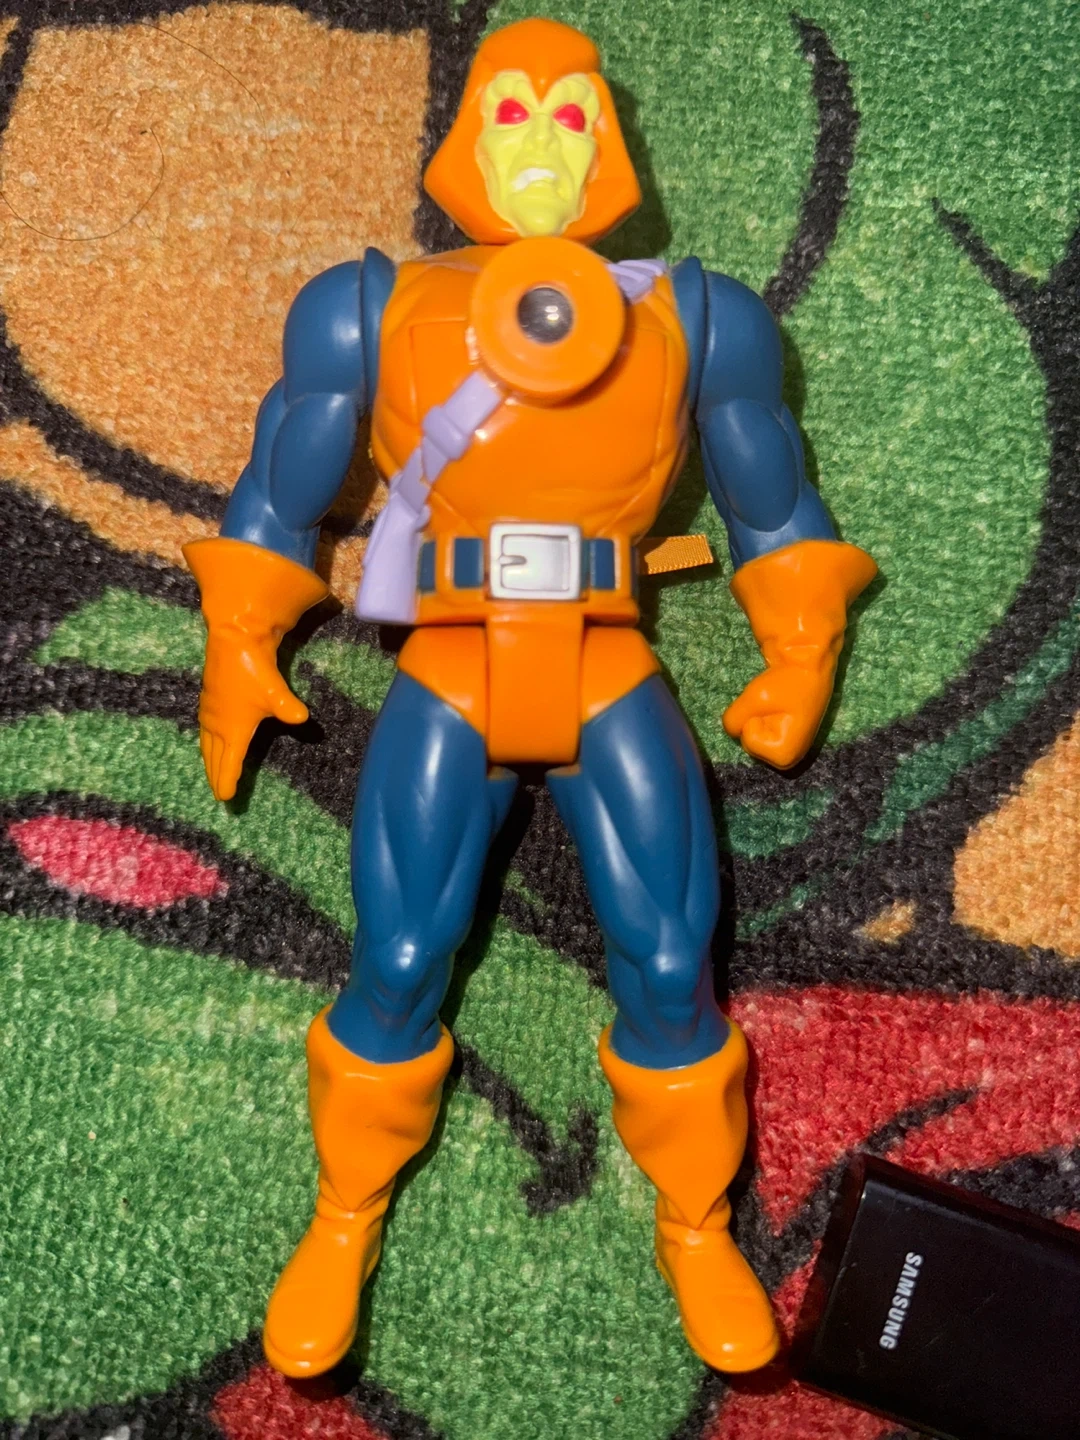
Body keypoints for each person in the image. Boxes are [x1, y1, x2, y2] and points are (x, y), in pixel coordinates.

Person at [184, 16, 876, 1380]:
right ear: (465, 138)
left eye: (571, 116)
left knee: (671, 962)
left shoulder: (697, 316)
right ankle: (344, 1212)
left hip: (608, 656)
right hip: (452, 657)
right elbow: (282, 484)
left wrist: (801, 646)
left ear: (608, 142)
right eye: (512, 113)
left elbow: (772, 495)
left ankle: (697, 1223)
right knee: (397, 956)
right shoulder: (369, 307)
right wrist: (241, 634)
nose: (541, 144)